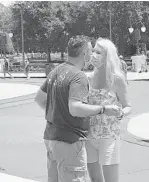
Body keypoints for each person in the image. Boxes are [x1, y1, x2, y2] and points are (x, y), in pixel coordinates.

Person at [34, 35, 121, 182]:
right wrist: (103, 109)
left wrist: (58, 114)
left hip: (51, 138)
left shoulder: (56, 71)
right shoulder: (78, 76)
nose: (92, 55)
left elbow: (39, 99)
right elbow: (75, 108)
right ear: (84, 54)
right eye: (90, 51)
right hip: (69, 141)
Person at [86, 38, 131, 182]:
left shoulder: (117, 79)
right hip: (89, 135)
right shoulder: (87, 78)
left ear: (108, 56)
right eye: (93, 51)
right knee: (95, 179)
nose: (94, 55)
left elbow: (127, 105)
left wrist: (121, 112)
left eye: (98, 52)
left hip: (109, 136)